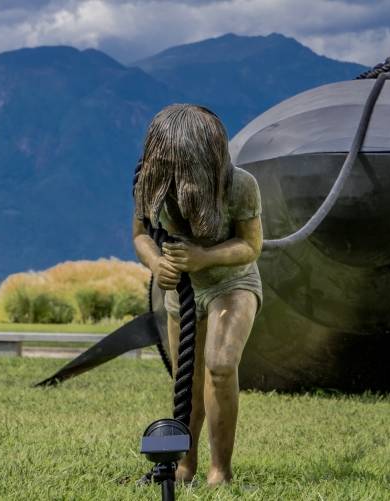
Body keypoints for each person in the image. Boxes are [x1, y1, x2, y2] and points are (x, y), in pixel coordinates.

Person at [131, 104, 262, 486]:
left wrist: (204, 256)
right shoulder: (149, 185)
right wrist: (156, 264)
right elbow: (140, 236)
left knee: (220, 367)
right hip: (184, 291)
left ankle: (220, 471)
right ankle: (184, 466)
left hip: (231, 284)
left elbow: (251, 246)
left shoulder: (240, 185)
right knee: (185, 380)